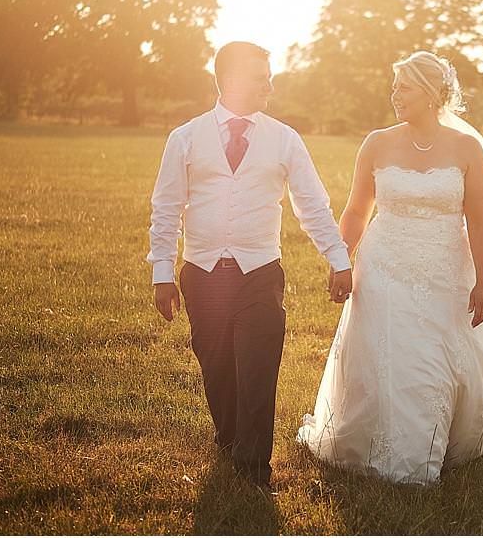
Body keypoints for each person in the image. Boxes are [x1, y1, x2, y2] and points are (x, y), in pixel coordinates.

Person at [297, 50, 483, 484]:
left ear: (429, 93)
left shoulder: (467, 149)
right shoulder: (377, 143)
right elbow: (355, 211)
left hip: (445, 270)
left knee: (434, 361)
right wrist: (339, 259)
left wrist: (482, 282)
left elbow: (479, 223)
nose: (394, 94)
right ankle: (391, 449)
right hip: (383, 265)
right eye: (395, 86)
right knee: (388, 356)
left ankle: (432, 446)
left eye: (403, 87)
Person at [146, 41, 353, 490]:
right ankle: (230, 440)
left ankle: (255, 468)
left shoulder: (284, 139)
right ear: (231, 79)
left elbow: (313, 206)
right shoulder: (185, 137)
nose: (270, 86)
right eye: (262, 77)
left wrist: (338, 259)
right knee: (217, 365)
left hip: (260, 272)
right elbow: (166, 209)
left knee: (260, 367)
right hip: (202, 274)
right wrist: (163, 272)